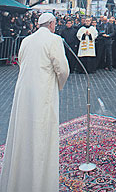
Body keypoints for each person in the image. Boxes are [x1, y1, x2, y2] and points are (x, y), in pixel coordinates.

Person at [0, 12, 69, 192]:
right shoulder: (54, 40)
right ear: (52, 24)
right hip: (43, 91)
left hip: (24, 91)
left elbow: (21, 62)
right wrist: (59, 84)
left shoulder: (26, 40)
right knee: (41, 132)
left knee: (22, 131)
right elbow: (62, 69)